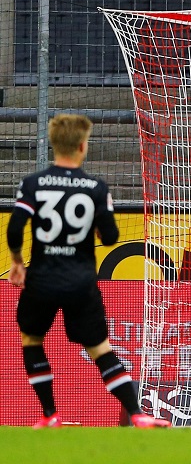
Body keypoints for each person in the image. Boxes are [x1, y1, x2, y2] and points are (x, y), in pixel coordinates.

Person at [7, 114, 170, 428]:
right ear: (83, 147)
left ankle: (50, 415)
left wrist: (16, 261)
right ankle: (136, 413)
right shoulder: (96, 188)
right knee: (100, 349)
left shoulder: (33, 184)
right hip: (81, 282)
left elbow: (15, 228)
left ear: (54, 145)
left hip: (41, 279)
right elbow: (110, 237)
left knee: (32, 340)